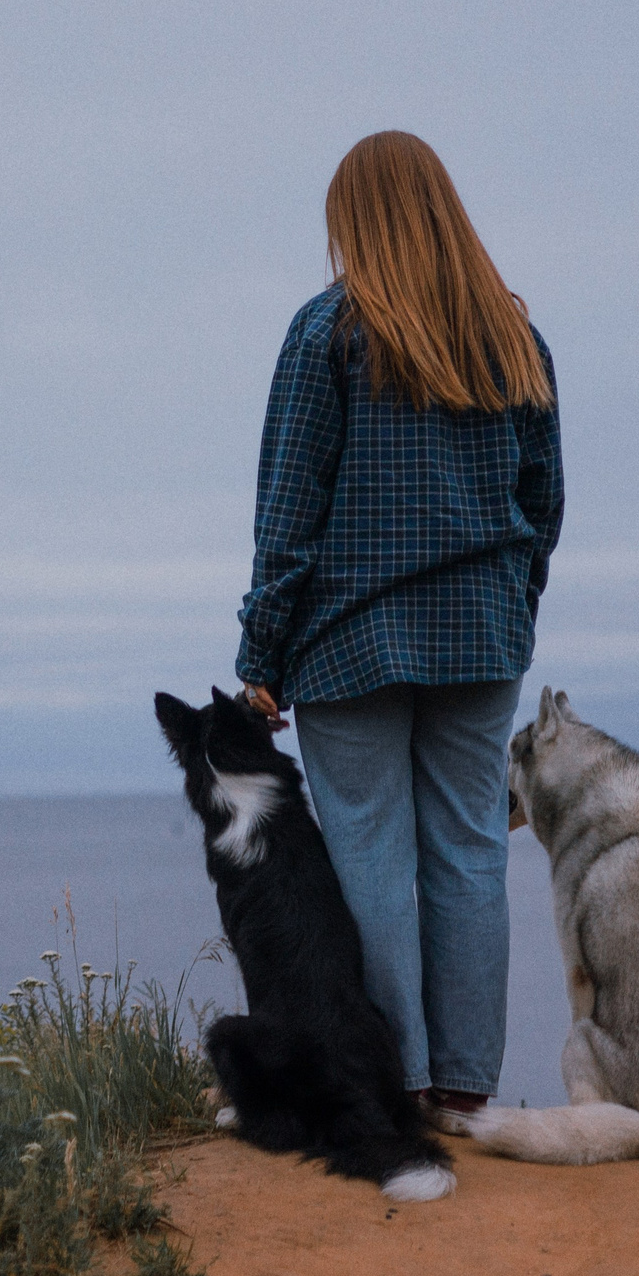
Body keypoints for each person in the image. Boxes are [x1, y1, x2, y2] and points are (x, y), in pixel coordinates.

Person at [234, 130, 563, 1132]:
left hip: (346, 641)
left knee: (368, 860)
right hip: (480, 636)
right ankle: (465, 1090)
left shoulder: (327, 333)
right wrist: (513, 609)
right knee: (469, 854)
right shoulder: (513, 338)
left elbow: (289, 508)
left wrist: (261, 655)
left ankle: (399, 1084)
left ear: (354, 220)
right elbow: (541, 503)